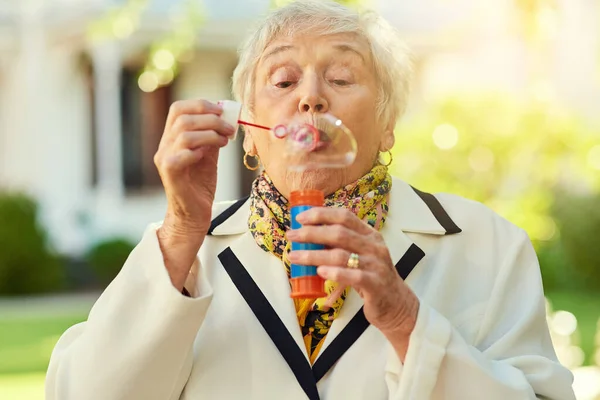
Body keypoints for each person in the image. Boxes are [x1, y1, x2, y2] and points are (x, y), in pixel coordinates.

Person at [46, 1, 576, 399]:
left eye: (342, 77)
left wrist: (406, 321)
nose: (310, 96)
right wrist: (183, 228)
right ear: (248, 134)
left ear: (388, 123)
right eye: (283, 79)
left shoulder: (490, 247)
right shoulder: (184, 257)